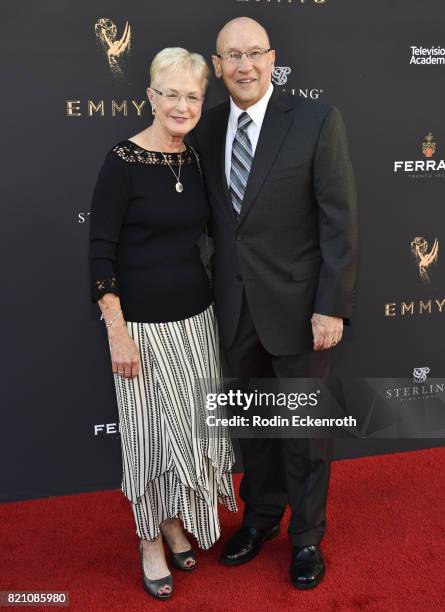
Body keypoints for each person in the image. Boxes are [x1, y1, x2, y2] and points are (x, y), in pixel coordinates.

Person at [190, 17, 358, 589]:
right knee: (252, 431)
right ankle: (260, 518)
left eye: (254, 53)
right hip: (233, 311)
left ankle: (307, 537)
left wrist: (331, 305)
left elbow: (339, 220)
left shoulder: (315, 121)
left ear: (272, 58)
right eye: (231, 56)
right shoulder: (206, 131)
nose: (243, 65)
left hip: (301, 312)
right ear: (216, 66)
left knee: (305, 432)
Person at [88, 47, 237, 601]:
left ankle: (176, 521)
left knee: (190, 434)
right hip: (142, 329)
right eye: (169, 93)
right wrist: (117, 331)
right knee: (149, 439)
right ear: (150, 96)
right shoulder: (121, 161)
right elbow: (100, 254)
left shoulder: (195, 158)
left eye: (192, 95)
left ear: (203, 101)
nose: (181, 104)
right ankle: (149, 538)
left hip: (197, 321)